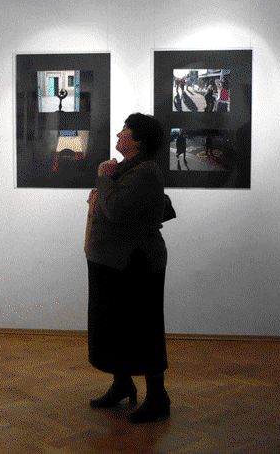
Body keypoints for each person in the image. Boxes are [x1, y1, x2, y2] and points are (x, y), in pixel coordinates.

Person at [84, 113, 175, 424]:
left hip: (136, 263)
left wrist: (103, 178)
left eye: (124, 131)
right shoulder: (130, 168)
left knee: (144, 327)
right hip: (115, 261)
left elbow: (115, 209)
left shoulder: (145, 172)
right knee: (115, 325)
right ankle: (122, 383)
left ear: (137, 140)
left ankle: (158, 397)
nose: (118, 135)